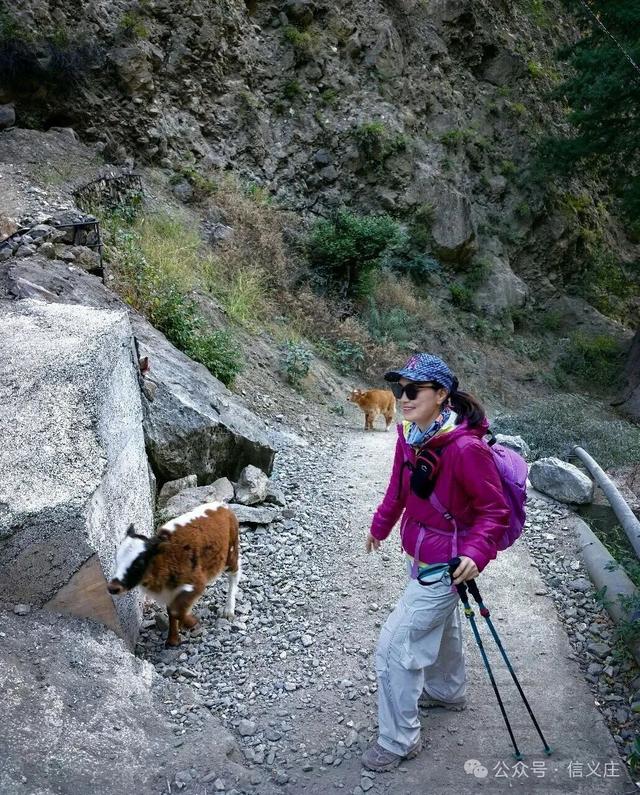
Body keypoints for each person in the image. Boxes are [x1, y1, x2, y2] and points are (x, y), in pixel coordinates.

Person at [361, 353, 510, 772]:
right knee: (442, 627)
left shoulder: (466, 449)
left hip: (447, 565)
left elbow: (493, 512)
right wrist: (380, 526)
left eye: (413, 390)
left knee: (394, 647)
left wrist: (477, 554)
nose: (402, 398)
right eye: (399, 389)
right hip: (423, 553)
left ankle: (398, 741)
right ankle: (446, 691)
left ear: (442, 394)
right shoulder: (409, 433)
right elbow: (398, 488)